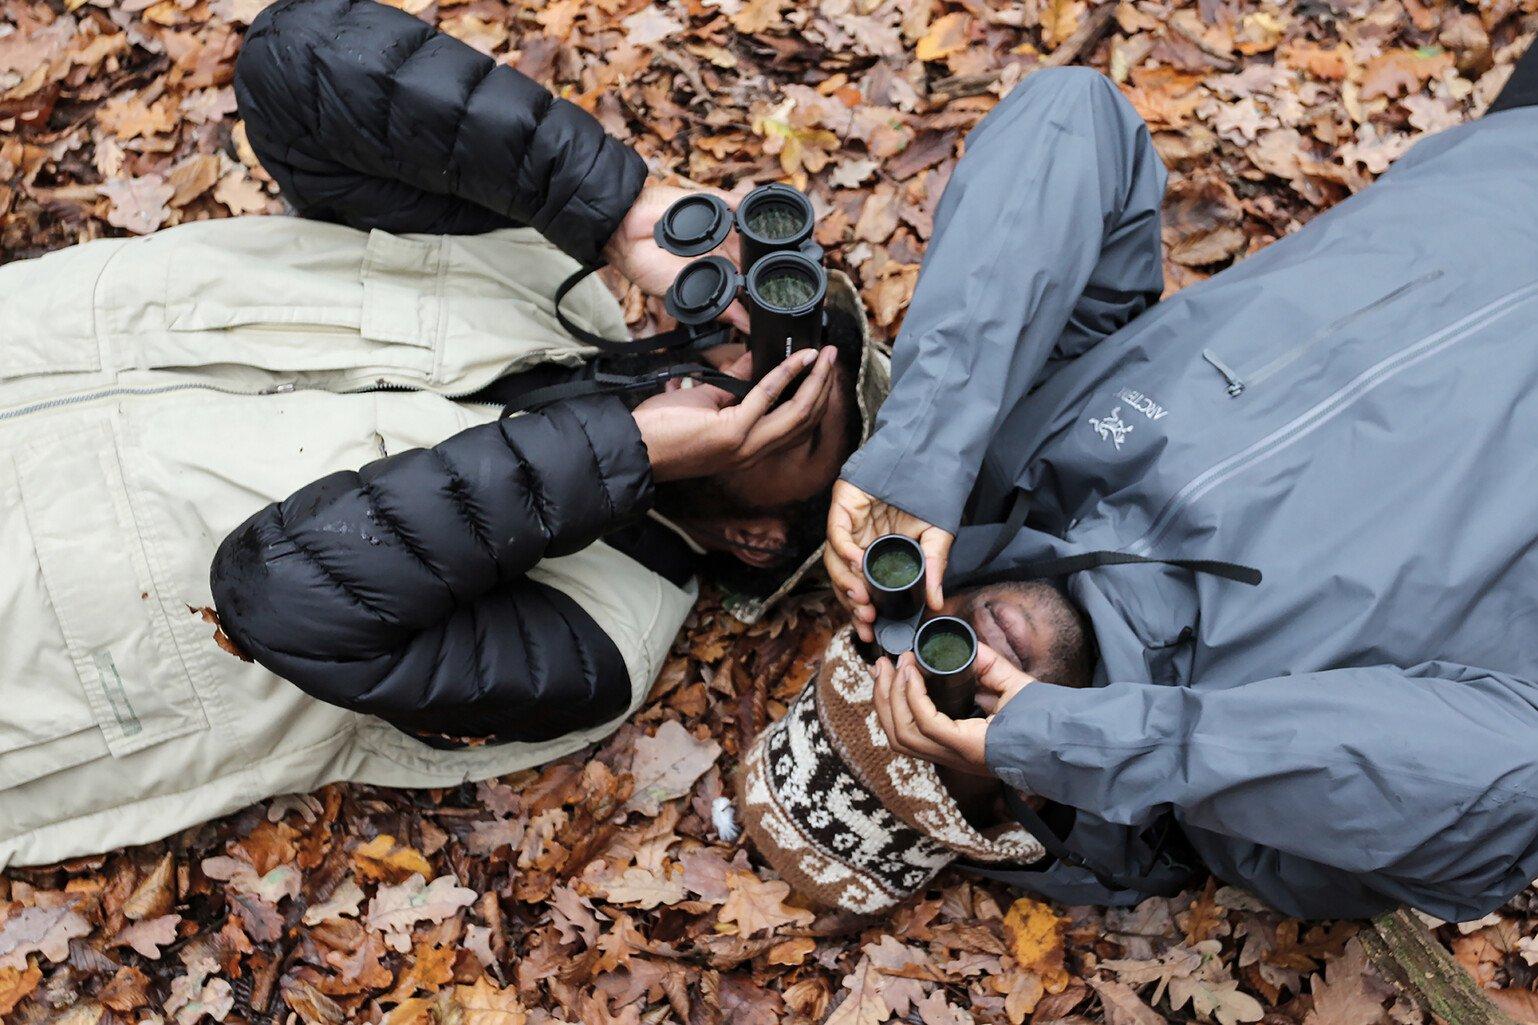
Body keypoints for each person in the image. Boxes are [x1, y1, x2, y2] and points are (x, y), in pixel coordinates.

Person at [0, 0, 880, 867]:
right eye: (751, 348)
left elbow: (280, 593)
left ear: (758, 539)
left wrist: (628, 448)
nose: (735, 375)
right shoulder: (538, 269)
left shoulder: (604, 640)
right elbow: (295, 54)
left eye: (787, 419)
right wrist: (614, 209)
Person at [825, 58, 1538, 921]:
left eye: (915, 647)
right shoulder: (1265, 835)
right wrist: (1090, 744)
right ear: (1032, 809)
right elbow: (1510, 785)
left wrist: (923, 449)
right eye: (949, 729)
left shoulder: (1028, 457)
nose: (965, 655)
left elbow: (1074, 119)